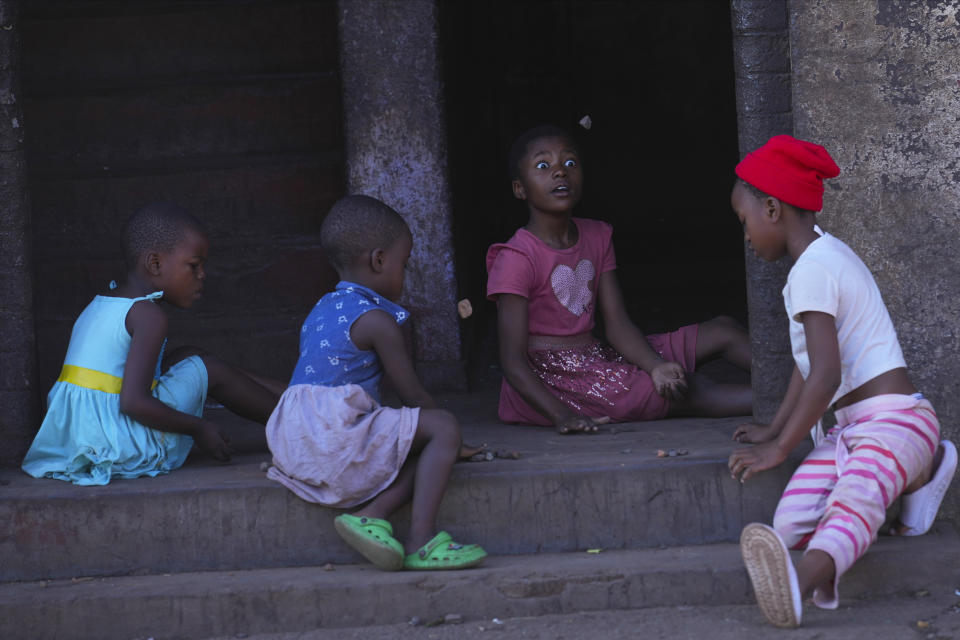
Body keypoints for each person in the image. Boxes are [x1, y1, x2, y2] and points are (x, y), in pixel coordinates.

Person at [727, 135, 957, 628]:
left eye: (743, 221)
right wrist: (774, 428)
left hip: (897, 423)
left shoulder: (813, 270)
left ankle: (801, 582)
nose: (745, 236)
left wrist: (779, 449)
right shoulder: (821, 259)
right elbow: (810, 364)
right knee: (789, 521)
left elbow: (828, 373)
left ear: (771, 209)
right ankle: (891, 490)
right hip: (851, 434)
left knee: (854, 499)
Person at [265, 194, 487, 571]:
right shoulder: (378, 322)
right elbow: (412, 394)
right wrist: (454, 439)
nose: (406, 271)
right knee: (441, 429)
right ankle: (422, 540)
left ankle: (372, 518)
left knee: (416, 441)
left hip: (295, 445)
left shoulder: (321, 309)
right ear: (379, 260)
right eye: (405, 262)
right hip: (335, 443)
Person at [485, 124, 752, 434]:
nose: (560, 173)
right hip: (550, 381)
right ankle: (791, 401)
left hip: (596, 356)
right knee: (685, 389)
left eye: (570, 163)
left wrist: (655, 366)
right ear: (520, 189)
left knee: (724, 331)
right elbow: (512, 361)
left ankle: (809, 382)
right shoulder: (517, 257)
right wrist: (561, 415)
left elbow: (617, 325)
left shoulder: (597, 235)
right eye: (543, 166)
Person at [22, 202, 283, 485]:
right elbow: (134, 402)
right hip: (120, 443)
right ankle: (298, 424)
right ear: (155, 263)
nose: (202, 275)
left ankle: (294, 398)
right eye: (194, 265)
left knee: (190, 356)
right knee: (207, 368)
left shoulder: (105, 302)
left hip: (82, 439)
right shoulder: (148, 316)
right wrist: (199, 428)